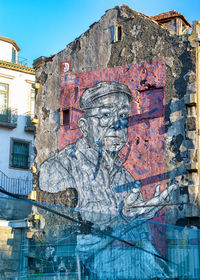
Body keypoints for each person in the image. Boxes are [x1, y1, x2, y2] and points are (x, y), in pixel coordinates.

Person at [39, 81, 176, 278]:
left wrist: (136, 215)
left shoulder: (124, 177)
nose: (117, 125)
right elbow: (61, 239)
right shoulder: (58, 169)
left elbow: (140, 243)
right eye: (104, 116)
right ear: (84, 127)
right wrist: (122, 219)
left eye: (122, 116)